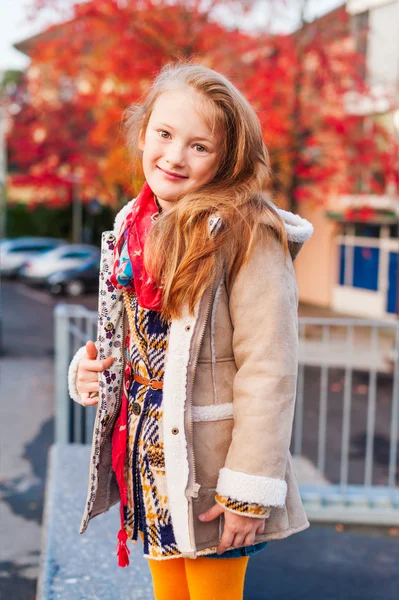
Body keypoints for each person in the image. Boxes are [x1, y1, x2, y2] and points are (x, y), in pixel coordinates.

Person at [68, 62, 313, 600]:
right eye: (164, 134)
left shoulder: (248, 233)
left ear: (228, 159)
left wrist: (248, 490)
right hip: (148, 458)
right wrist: (89, 371)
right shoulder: (131, 227)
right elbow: (129, 341)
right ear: (143, 131)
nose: (175, 156)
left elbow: (268, 368)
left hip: (210, 469)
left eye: (200, 146)